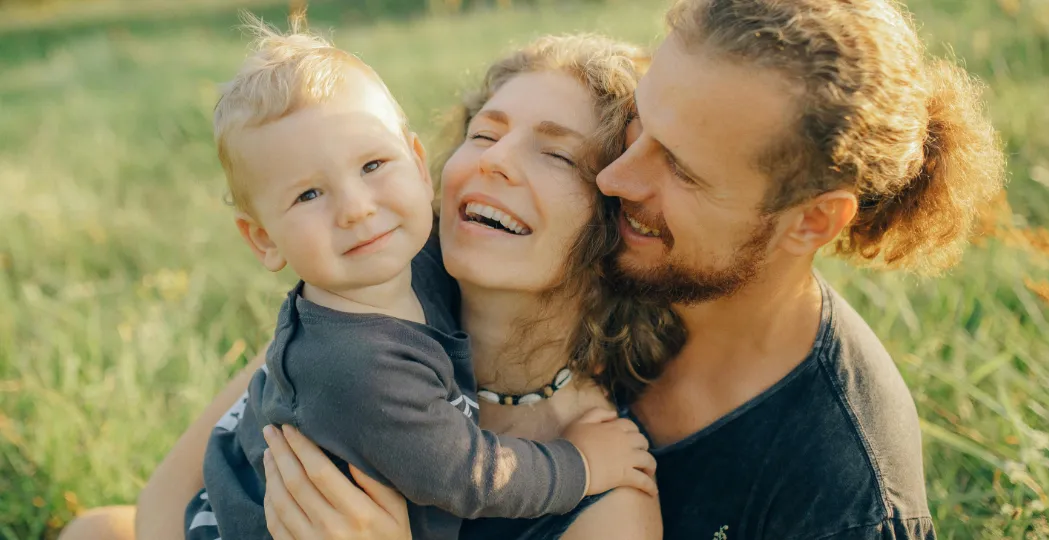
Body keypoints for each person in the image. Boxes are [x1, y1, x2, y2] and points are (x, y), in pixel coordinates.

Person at [234, 0, 1006, 539]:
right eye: (637, 132)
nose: (618, 181)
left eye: (682, 168)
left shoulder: (840, 491)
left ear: (810, 221)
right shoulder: (481, 272)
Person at [59, 31, 673, 540]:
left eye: (558, 156)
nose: (492, 159)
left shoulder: (608, 498)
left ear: (619, 223)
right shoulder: (359, 314)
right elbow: (163, 506)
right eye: (483, 133)